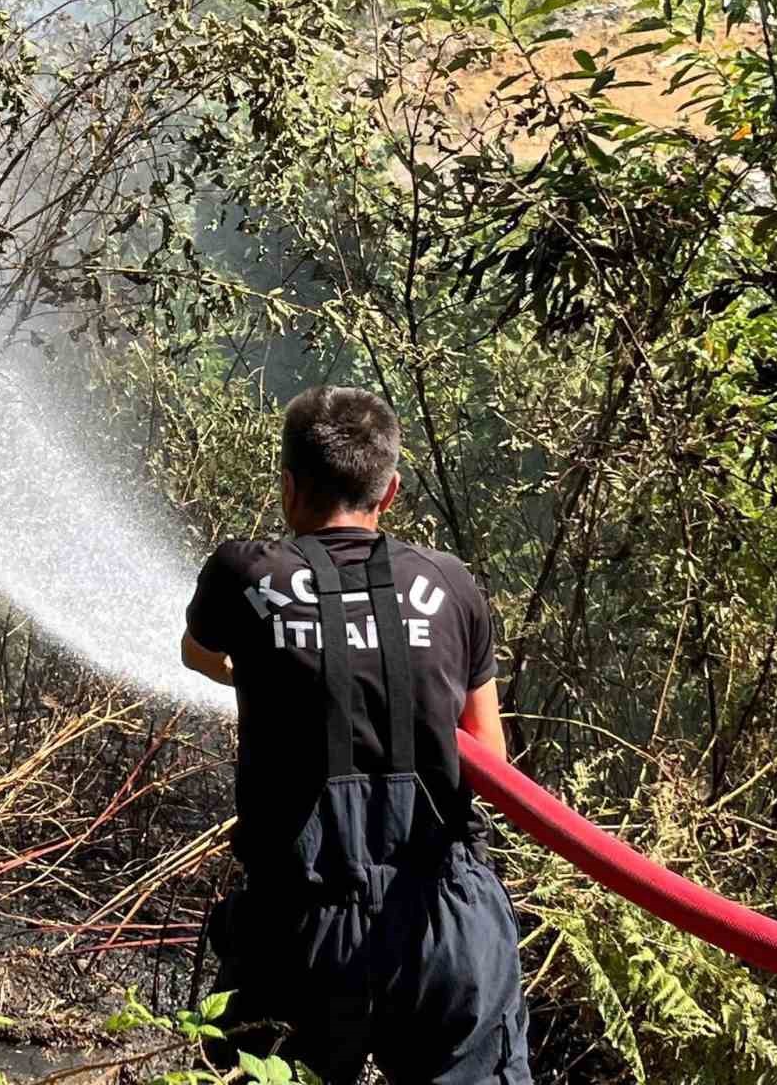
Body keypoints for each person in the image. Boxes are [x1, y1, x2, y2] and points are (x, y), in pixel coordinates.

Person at [182, 385, 531, 1085]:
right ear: (390, 491)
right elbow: (490, 758)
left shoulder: (244, 573)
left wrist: (273, 673)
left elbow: (198, 655)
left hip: (299, 926)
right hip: (445, 919)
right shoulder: (452, 583)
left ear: (289, 487)